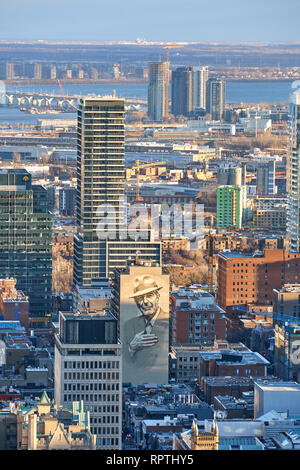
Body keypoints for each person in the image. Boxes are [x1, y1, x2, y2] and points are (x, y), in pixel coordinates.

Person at [122, 275, 169, 383]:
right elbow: (125, 362)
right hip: (137, 381)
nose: (145, 301)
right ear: (135, 302)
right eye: (139, 298)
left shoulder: (168, 322)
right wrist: (132, 348)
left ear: (158, 296)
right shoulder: (129, 325)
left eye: (150, 295)